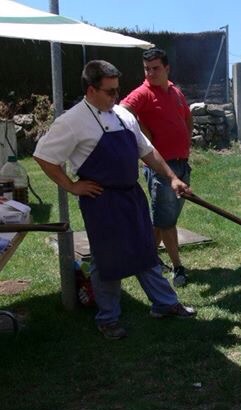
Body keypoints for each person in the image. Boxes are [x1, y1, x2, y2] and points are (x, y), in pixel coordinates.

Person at [33, 60, 196, 340]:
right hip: (101, 201)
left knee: (145, 251)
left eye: (117, 90)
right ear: (90, 90)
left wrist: (172, 178)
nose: (115, 97)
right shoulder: (72, 122)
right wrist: (71, 186)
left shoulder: (123, 115)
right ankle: (108, 318)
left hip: (131, 195)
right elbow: (44, 156)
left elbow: (147, 151)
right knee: (107, 260)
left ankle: (165, 304)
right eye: (109, 92)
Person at [121, 48, 193, 288]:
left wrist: (186, 141)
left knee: (164, 218)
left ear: (167, 69)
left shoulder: (175, 91)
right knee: (167, 221)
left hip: (181, 164)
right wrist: (141, 130)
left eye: (155, 68)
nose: (150, 73)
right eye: (147, 69)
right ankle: (178, 267)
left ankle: (146, 259)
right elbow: (122, 111)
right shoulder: (143, 93)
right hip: (161, 167)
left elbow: (187, 117)